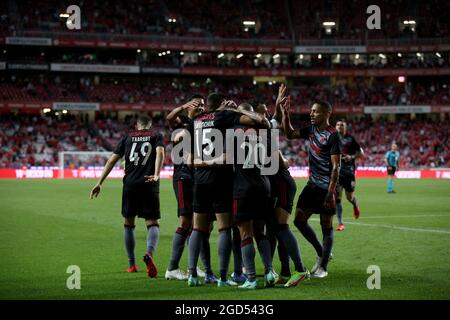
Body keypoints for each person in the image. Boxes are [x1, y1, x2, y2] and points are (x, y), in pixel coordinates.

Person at [187, 93, 269, 288]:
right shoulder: (225, 116)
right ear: (222, 104)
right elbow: (258, 122)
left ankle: (193, 275)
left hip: (199, 179)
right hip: (221, 179)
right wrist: (233, 109)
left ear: (207, 105)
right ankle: (223, 278)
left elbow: (188, 159)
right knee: (225, 228)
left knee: (198, 228)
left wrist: (202, 164)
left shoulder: (195, 121)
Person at [90, 115, 164, 278]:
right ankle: (149, 253)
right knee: (152, 222)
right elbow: (160, 152)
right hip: (149, 183)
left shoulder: (127, 137)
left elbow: (111, 161)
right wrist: (157, 174)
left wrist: (99, 182)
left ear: (137, 125)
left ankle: (132, 265)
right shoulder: (156, 136)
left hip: (130, 184)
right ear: (149, 125)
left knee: (129, 223)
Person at [281, 95, 341, 279]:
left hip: (327, 187)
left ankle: (322, 267)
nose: (311, 114)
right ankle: (322, 252)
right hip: (312, 185)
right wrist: (285, 114)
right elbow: (290, 134)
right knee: (299, 220)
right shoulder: (311, 130)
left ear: (327, 113)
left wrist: (330, 193)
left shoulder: (333, 135)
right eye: (311, 110)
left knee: (326, 226)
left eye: (315, 111)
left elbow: (336, 167)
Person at [165, 95, 217, 283]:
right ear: (190, 107)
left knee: (204, 225)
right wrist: (182, 107)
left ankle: (197, 267)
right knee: (186, 221)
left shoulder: (203, 123)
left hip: (198, 178)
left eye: (203, 105)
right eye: (198, 105)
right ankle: (172, 268)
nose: (202, 108)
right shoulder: (184, 123)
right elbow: (170, 118)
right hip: (183, 177)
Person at [335, 120, 364, 231]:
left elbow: (360, 153)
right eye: (337, 125)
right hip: (336, 172)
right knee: (337, 198)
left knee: (349, 197)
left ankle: (355, 205)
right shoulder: (332, 138)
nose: (339, 126)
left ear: (345, 127)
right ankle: (340, 223)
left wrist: (351, 157)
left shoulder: (351, 139)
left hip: (349, 171)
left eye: (342, 125)